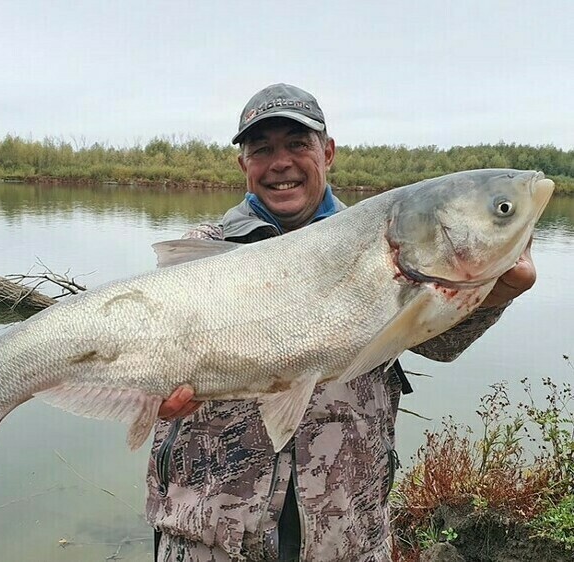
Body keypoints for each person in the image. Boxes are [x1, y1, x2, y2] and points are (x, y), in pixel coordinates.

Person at [145, 83, 537, 562]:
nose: (280, 162)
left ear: (327, 152)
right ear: (243, 164)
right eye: (262, 149)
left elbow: (437, 344)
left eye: (297, 144)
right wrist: (146, 398)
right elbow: (142, 363)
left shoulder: (390, 241)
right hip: (209, 536)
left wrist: (494, 294)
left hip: (348, 534)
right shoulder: (204, 251)